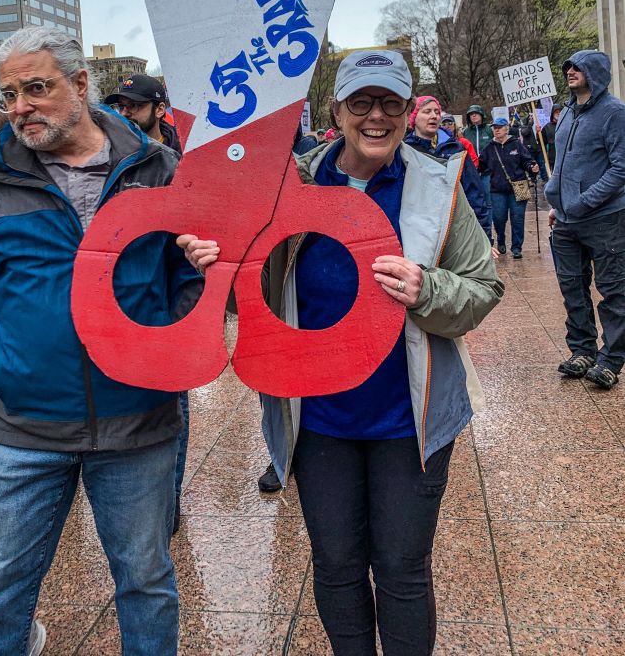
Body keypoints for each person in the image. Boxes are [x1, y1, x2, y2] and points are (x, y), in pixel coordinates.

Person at [0, 28, 203, 656]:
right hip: (23, 427)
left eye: (37, 88)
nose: (21, 106)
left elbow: (194, 280)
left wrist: (171, 333)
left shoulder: (159, 169)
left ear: (80, 86)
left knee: (145, 582)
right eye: (9, 94)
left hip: (137, 420)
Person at [181, 49, 503, 656]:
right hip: (318, 417)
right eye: (362, 102)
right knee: (335, 563)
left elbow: (483, 287)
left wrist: (425, 288)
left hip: (409, 416)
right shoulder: (289, 186)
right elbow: (252, 301)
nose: (376, 117)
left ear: (409, 112)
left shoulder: (439, 184)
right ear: (336, 110)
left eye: (390, 103)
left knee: (404, 568)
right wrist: (217, 273)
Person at [107, 72, 189, 534]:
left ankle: (169, 503)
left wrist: (181, 317)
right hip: (124, 313)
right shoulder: (113, 162)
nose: (125, 114)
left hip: (164, 312)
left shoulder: (176, 162)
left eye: (134, 106)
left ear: (159, 110)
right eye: (119, 106)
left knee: (174, 411)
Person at [546, 50, 625, 390]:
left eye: (578, 67)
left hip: (605, 218)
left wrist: (584, 200)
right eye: (568, 68)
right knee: (572, 288)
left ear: (596, 73)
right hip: (565, 220)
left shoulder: (615, 113)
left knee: (613, 291)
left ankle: (610, 360)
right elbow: (563, 161)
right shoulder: (566, 113)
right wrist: (556, 197)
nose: (570, 72)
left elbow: (621, 167)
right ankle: (582, 352)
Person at [405, 96, 493, 242]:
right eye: (427, 111)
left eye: (436, 112)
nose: (433, 116)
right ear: (414, 118)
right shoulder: (404, 150)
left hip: (455, 229)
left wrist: (484, 237)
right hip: (418, 232)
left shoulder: (456, 149)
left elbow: (474, 193)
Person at [479, 118, 539, 259]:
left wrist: (532, 167)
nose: (497, 130)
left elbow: (526, 160)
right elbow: (480, 166)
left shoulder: (517, 144)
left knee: (518, 218)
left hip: (518, 187)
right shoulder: (489, 147)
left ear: (506, 129)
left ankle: (517, 247)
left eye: (500, 127)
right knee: (499, 218)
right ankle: (501, 239)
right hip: (497, 189)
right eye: (495, 127)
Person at [105, 73, 181, 152]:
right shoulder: (110, 153)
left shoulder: (183, 153)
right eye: (121, 106)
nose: (123, 113)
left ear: (159, 110)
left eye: (134, 105)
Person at [462, 105, 494, 206]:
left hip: (487, 171)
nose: (474, 115)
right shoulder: (465, 132)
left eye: (476, 113)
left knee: (488, 199)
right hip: (472, 171)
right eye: (471, 114)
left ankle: (488, 222)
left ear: (481, 115)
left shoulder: (489, 130)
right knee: (474, 199)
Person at [520, 113, 548, 183]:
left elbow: (541, 137)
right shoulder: (524, 126)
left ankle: (545, 178)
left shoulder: (537, 126)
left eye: (533, 118)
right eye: (530, 118)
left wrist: (539, 132)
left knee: (541, 164)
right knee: (532, 165)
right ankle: (533, 179)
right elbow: (525, 133)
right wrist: (530, 125)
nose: (532, 119)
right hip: (530, 150)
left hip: (538, 148)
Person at [541, 103, 562, 171]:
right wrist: (538, 134)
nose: (559, 113)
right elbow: (542, 142)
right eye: (556, 112)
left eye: (560, 112)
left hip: (566, 156)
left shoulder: (567, 123)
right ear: (553, 114)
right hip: (554, 157)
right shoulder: (547, 127)